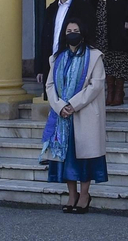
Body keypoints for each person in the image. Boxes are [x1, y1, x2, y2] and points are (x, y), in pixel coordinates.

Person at [43, 14, 108, 213]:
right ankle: (71, 195)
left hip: (84, 113)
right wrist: (60, 106)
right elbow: (50, 85)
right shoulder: (57, 57)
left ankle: (85, 195)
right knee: (66, 157)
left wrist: (72, 104)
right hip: (62, 115)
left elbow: (96, 85)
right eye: (69, 32)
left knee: (84, 157)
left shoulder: (94, 56)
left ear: (83, 34)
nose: (72, 35)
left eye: (76, 32)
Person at [38, 0, 82, 84]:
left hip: (74, 62)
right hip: (53, 62)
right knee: (54, 99)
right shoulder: (50, 9)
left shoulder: (84, 9)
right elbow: (44, 39)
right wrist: (41, 69)